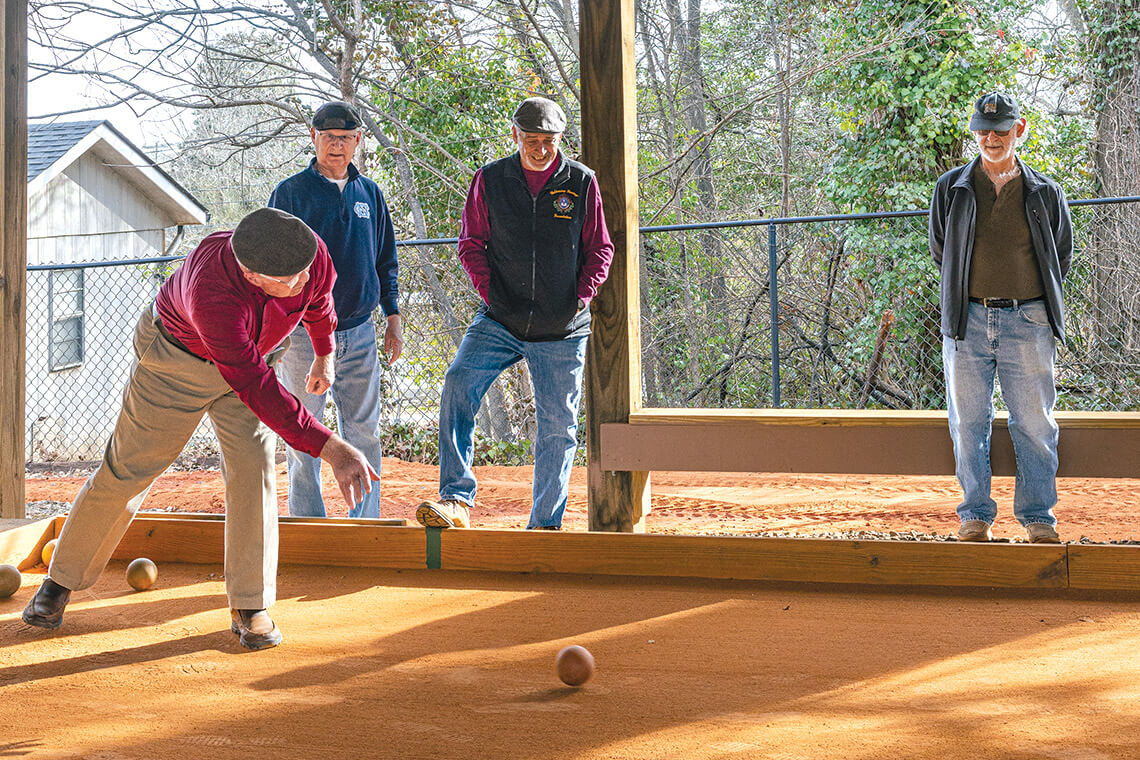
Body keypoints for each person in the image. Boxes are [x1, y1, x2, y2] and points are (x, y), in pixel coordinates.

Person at [21, 208, 378, 649]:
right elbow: (253, 385)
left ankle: (251, 604)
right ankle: (60, 582)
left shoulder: (308, 256)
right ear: (251, 274)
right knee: (128, 470)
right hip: (176, 362)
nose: (301, 282)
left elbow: (318, 300)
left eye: (305, 271)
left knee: (254, 471)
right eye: (288, 280)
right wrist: (331, 447)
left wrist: (325, 352)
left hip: (254, 358)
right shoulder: (211, 288)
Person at [415, 96, 614, 531]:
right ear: (515, 136)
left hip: (562, 328)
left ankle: (544, 525)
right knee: (458, 383)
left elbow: (601, 249)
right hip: (500, 320)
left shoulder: (581, 182)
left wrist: (579, 297)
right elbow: (470, 243)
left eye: (548, 141)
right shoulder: (490, 180)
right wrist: (491, 292)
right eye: (531, 139)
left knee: (558, 427)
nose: (540, 149)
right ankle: (455, 499)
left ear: (560, 139)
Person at [929, 92, 1073, 544]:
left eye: (1001, 129)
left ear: (1020, 130)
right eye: (983, 130)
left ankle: (1037, 518)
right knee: (967, 421)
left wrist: (1029, 304)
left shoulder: (1045, 193)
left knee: (1033, 422)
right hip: (966, 322)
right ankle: (974, 515)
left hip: (1028, 322)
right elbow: (941, 250)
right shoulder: (951, 189)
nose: (991, 138)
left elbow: (1059, 258)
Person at [268, 100, 401, 519]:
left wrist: (392, 318)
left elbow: (386, 261)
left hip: (360, 332)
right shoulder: (290, 193)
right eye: (329, 138)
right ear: (314, 138)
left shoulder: (370, 194)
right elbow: (273, 265)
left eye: (345, 138)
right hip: (304, 338)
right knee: (302, 434)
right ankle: (309, 523)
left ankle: (366, 525)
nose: (337, 146)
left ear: (358, 141)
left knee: (364, 431)